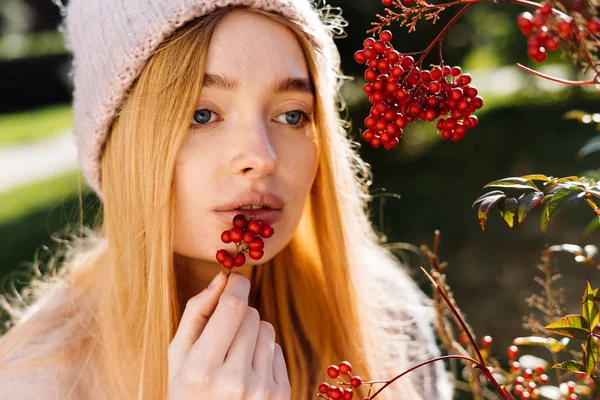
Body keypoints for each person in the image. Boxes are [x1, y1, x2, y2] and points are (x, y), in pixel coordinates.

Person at [0, 0, 454, 399]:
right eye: (202, 114)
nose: (261, 157)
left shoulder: (387, 323)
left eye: (292, 114)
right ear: (118, 145)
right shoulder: (34, 382)